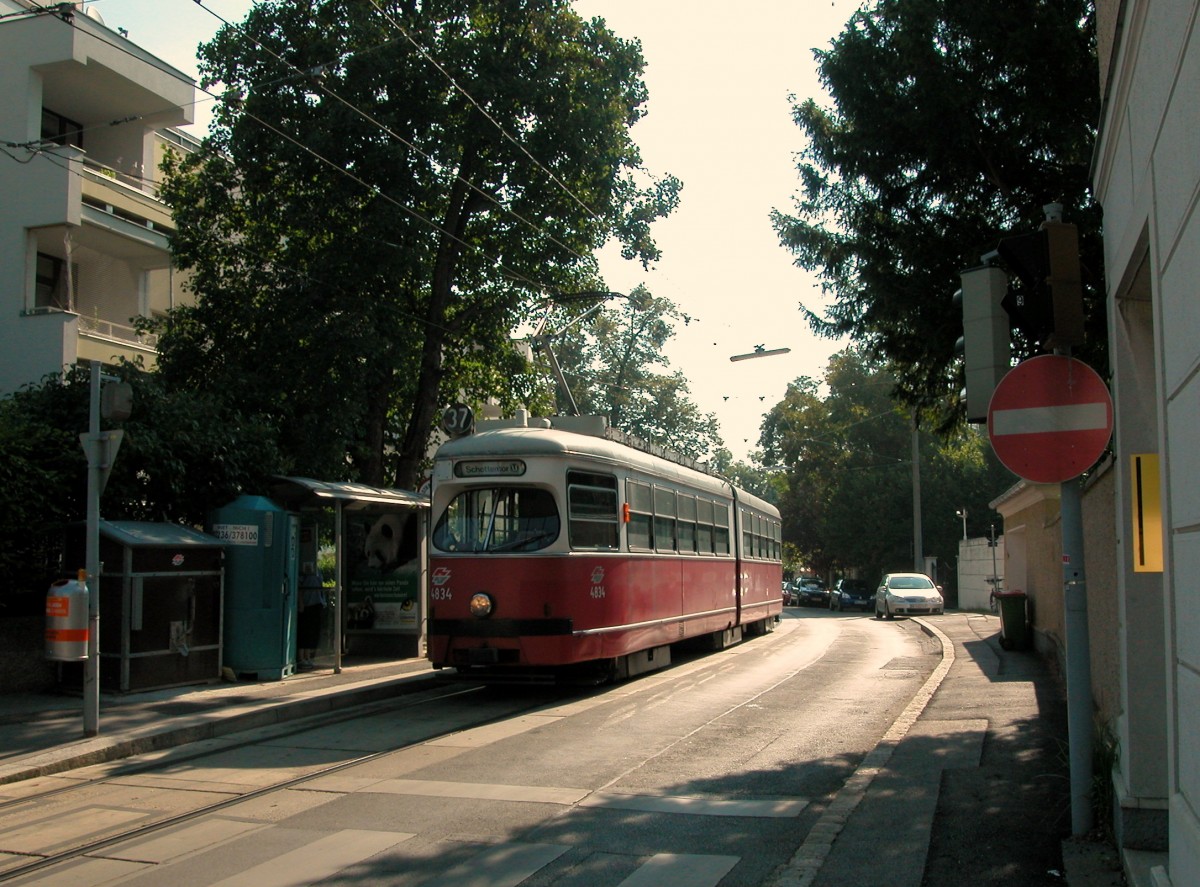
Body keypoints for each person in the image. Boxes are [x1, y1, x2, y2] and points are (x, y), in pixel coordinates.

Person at [297, 563, 326, 671]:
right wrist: (301, 603)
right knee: (305, 631)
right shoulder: (304, 573)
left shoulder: (317, 571)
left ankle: (308, 656)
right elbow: (299, 588)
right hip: (306, 605)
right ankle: (302, 657)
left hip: (316, 604)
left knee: (311, 631)